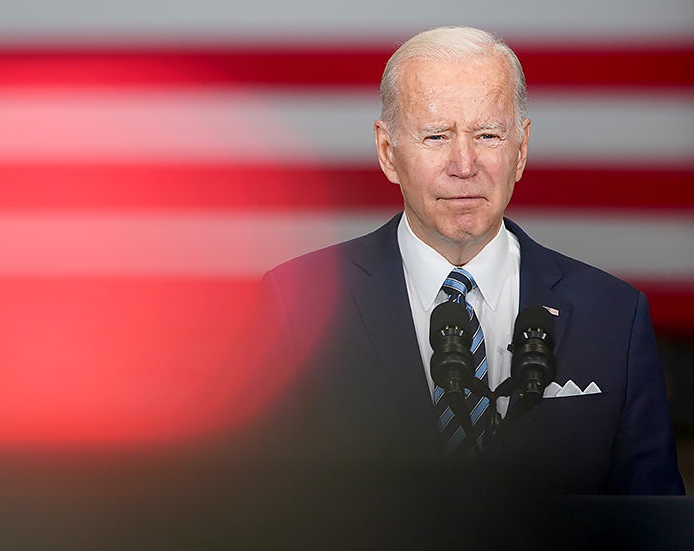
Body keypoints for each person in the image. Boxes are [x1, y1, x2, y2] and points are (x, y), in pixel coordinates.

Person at [251, 26, 685, 495]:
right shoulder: (295, 305)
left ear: (520, 150)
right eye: (436, 136)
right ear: (387, 152)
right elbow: (255, 516)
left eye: (488, 134)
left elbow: (654, 523)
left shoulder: (616, 316)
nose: (464, 163)